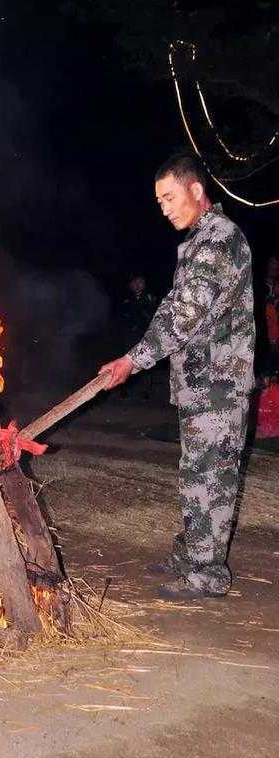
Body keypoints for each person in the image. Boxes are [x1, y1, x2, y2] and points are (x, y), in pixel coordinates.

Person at [99, 154, 254, 601]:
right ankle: (191, 555)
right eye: (159, 200)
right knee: (195, 474)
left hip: (219, 386)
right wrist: (132, 354)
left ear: (196, 191)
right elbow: (171, 306)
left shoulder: (220, 241)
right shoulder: (199, 242)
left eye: (169, 197)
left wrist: (135, 360)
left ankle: (208, 575)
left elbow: (182, 318)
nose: (164, 208)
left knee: (212, 478)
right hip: (201, 384)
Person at [119, 275, 157, 398]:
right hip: (128, 337)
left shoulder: (150, 298)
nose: (137, 285)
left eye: (140, 282)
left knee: (147, 362)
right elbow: (119, 318)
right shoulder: (125, 299)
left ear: (144, 284)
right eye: (134, 282)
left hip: (144, 336)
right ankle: (123, 388)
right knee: (126, 362)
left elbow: (153, 317)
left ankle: (146, 390)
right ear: (130, 285)